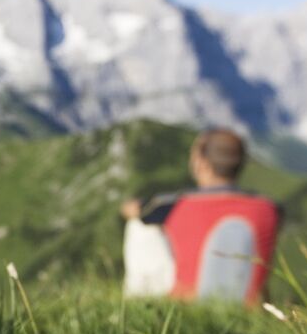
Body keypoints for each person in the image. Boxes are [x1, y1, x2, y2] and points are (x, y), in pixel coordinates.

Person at [120, 128, 282, 304]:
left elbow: (130, 208)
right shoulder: (270, 209)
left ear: (202, 164)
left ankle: (137, 302)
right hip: (248, 306)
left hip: (185, 303)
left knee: (139, 224)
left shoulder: (174, 204)